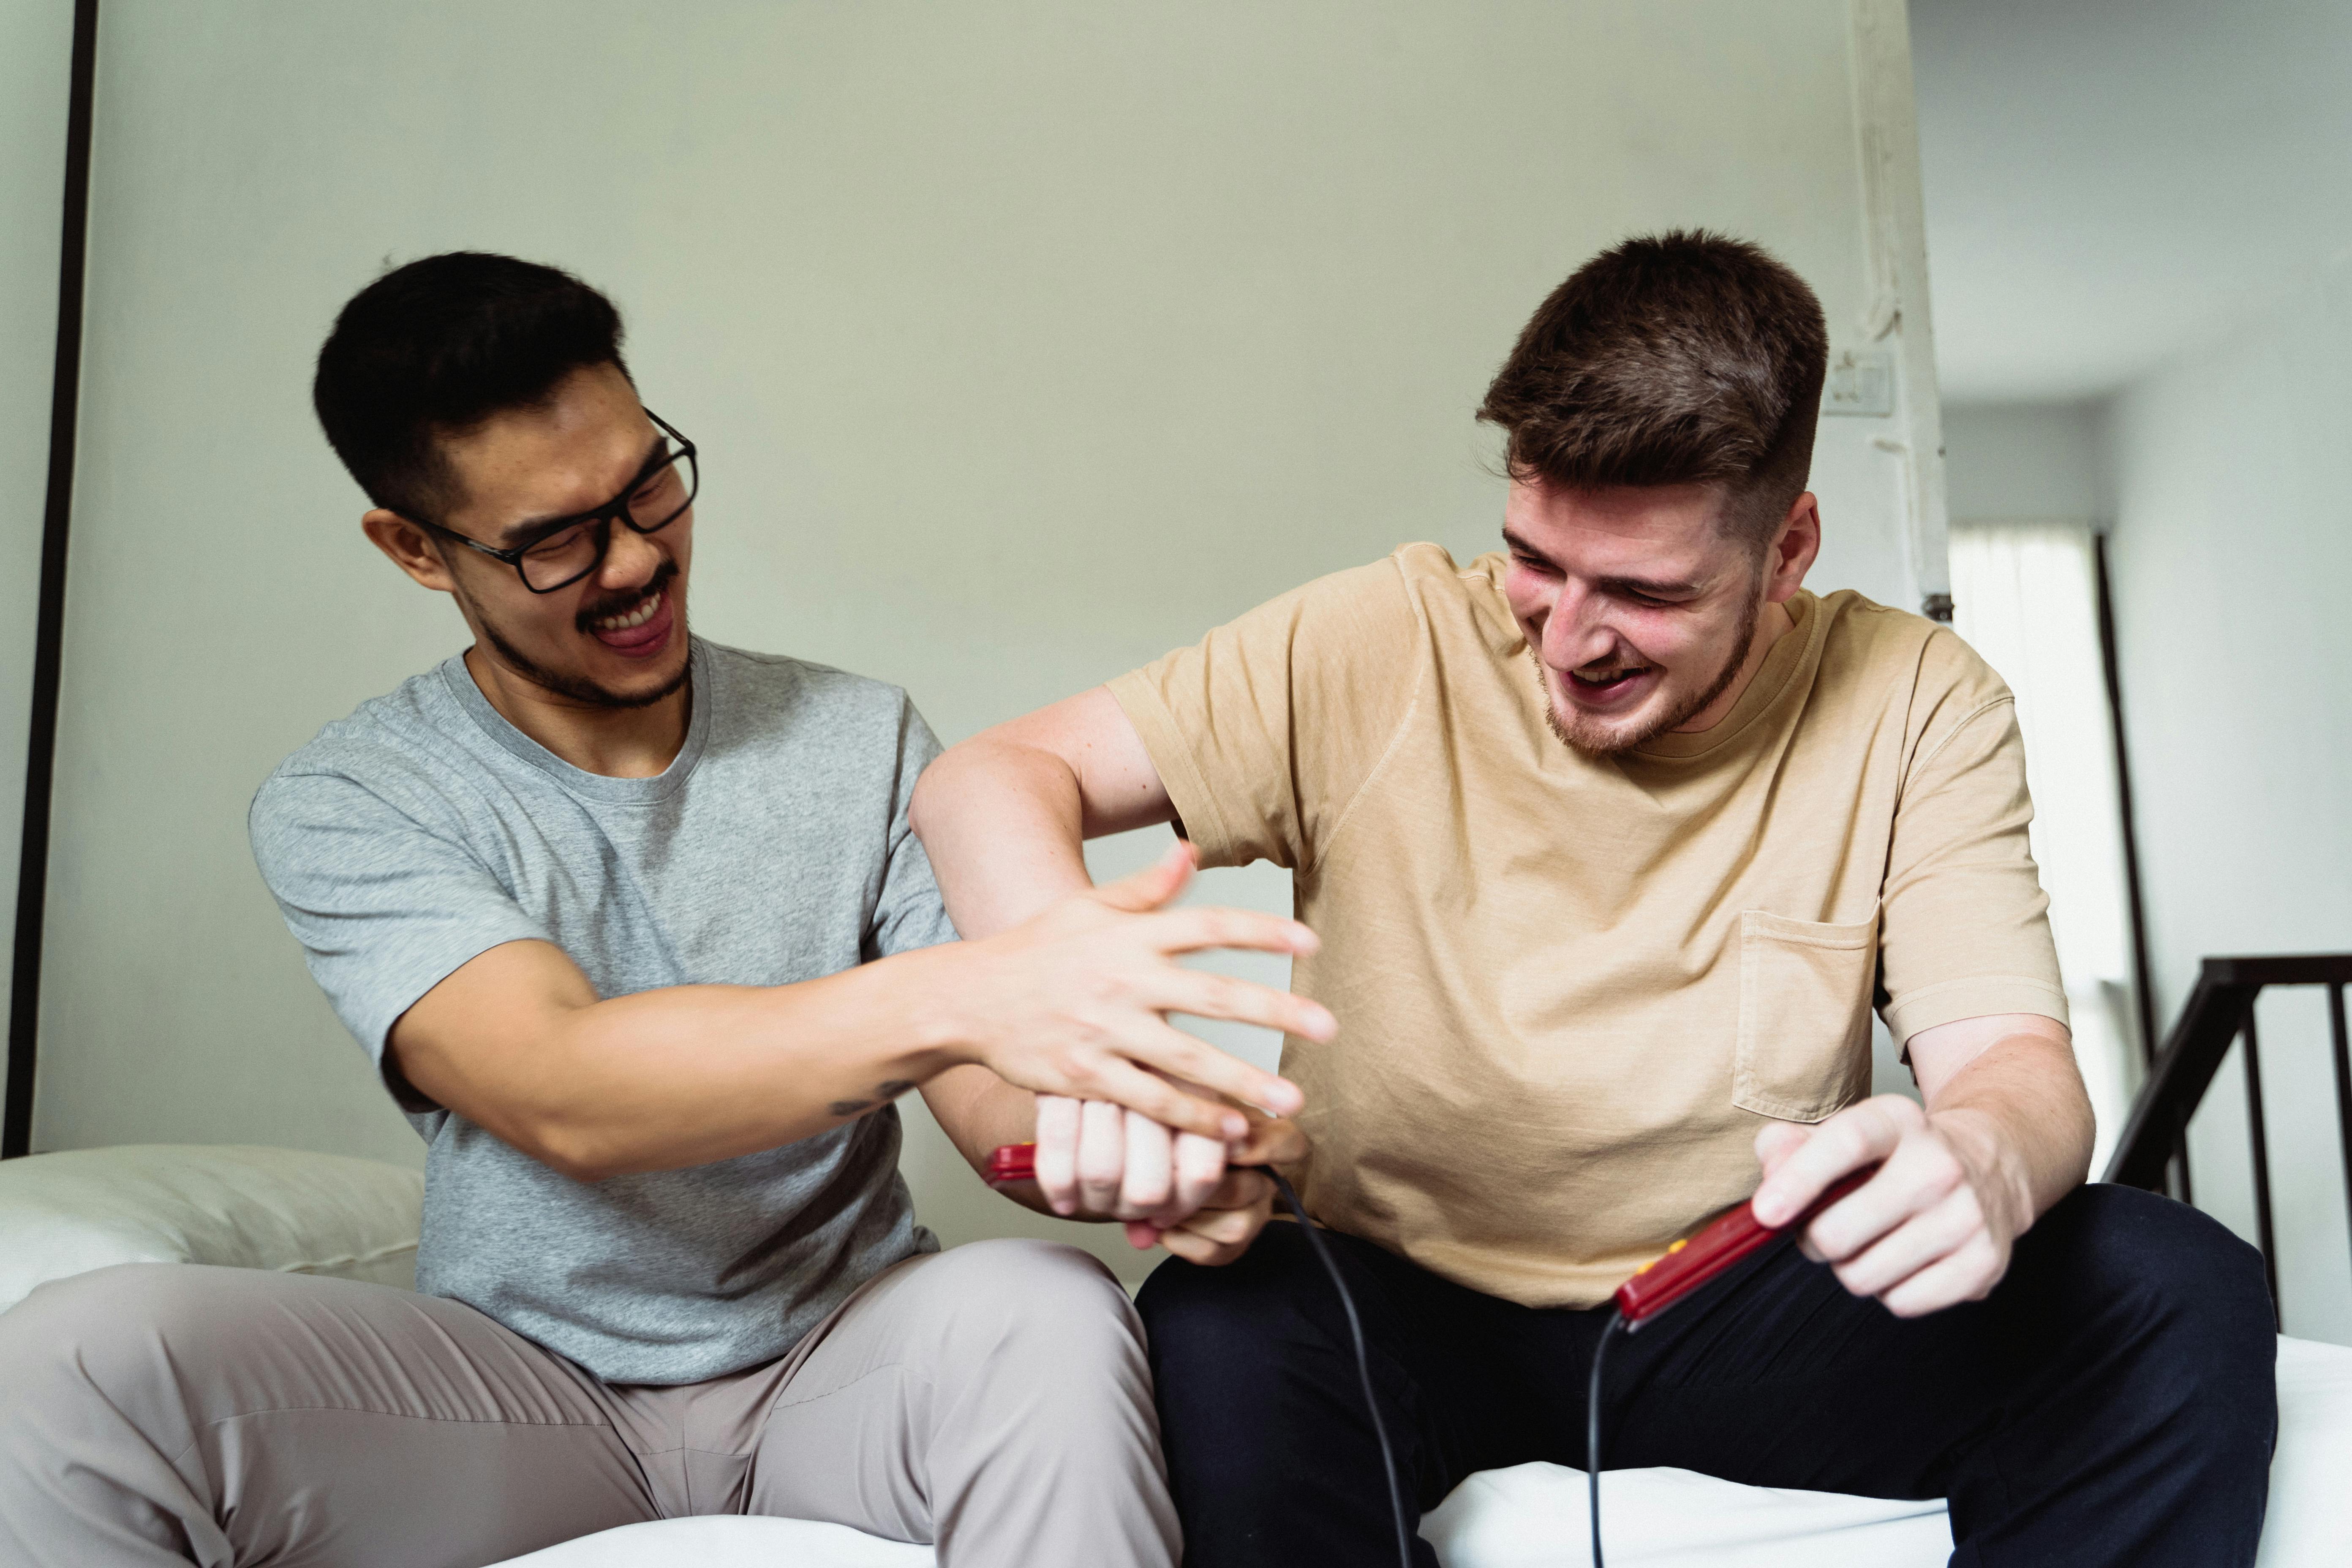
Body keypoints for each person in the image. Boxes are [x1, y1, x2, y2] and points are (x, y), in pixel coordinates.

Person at [909, 231, 2278, 1566]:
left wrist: (1981, 1154)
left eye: (1643, 591)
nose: (1568, 640)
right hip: (1396, 1293)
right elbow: (988, 779)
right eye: (1537, 562)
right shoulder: (1379, 641)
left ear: (1789, 547)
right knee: (1222, 1321)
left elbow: (2017, 1069)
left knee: (2171, 1282)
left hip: (1736, 1298)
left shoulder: (1920, 696)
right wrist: (1089, 1029)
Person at [0, 252, 1326, 1568]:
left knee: (1044, 1303)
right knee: (73, 1356)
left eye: (648, 484)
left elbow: (999, 1119)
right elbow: (567, 1090)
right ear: (415, 547)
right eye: (555, 540)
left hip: (839, 1361)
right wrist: (968, 993)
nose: (638, 559)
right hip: (518, 1399)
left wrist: (1138, 1141)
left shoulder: (860, 737)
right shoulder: (359, 794)